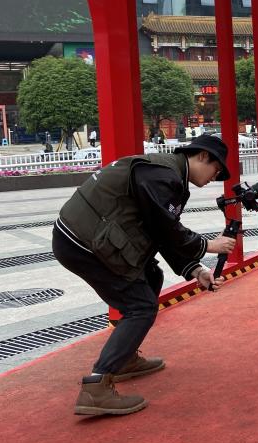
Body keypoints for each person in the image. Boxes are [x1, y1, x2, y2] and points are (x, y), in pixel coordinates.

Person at [52, 134, 237, 417]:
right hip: (83, 243)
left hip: (81, 239)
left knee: (151, 277)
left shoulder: (167, 173)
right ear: (202, 156)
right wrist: (208, 245)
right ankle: (96, 387)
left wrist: (195, 269)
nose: (215, 177)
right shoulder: (163, 175)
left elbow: (160, 232)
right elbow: (165, 228)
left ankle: (124, 359)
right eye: (217, 169)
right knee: (141, 306)